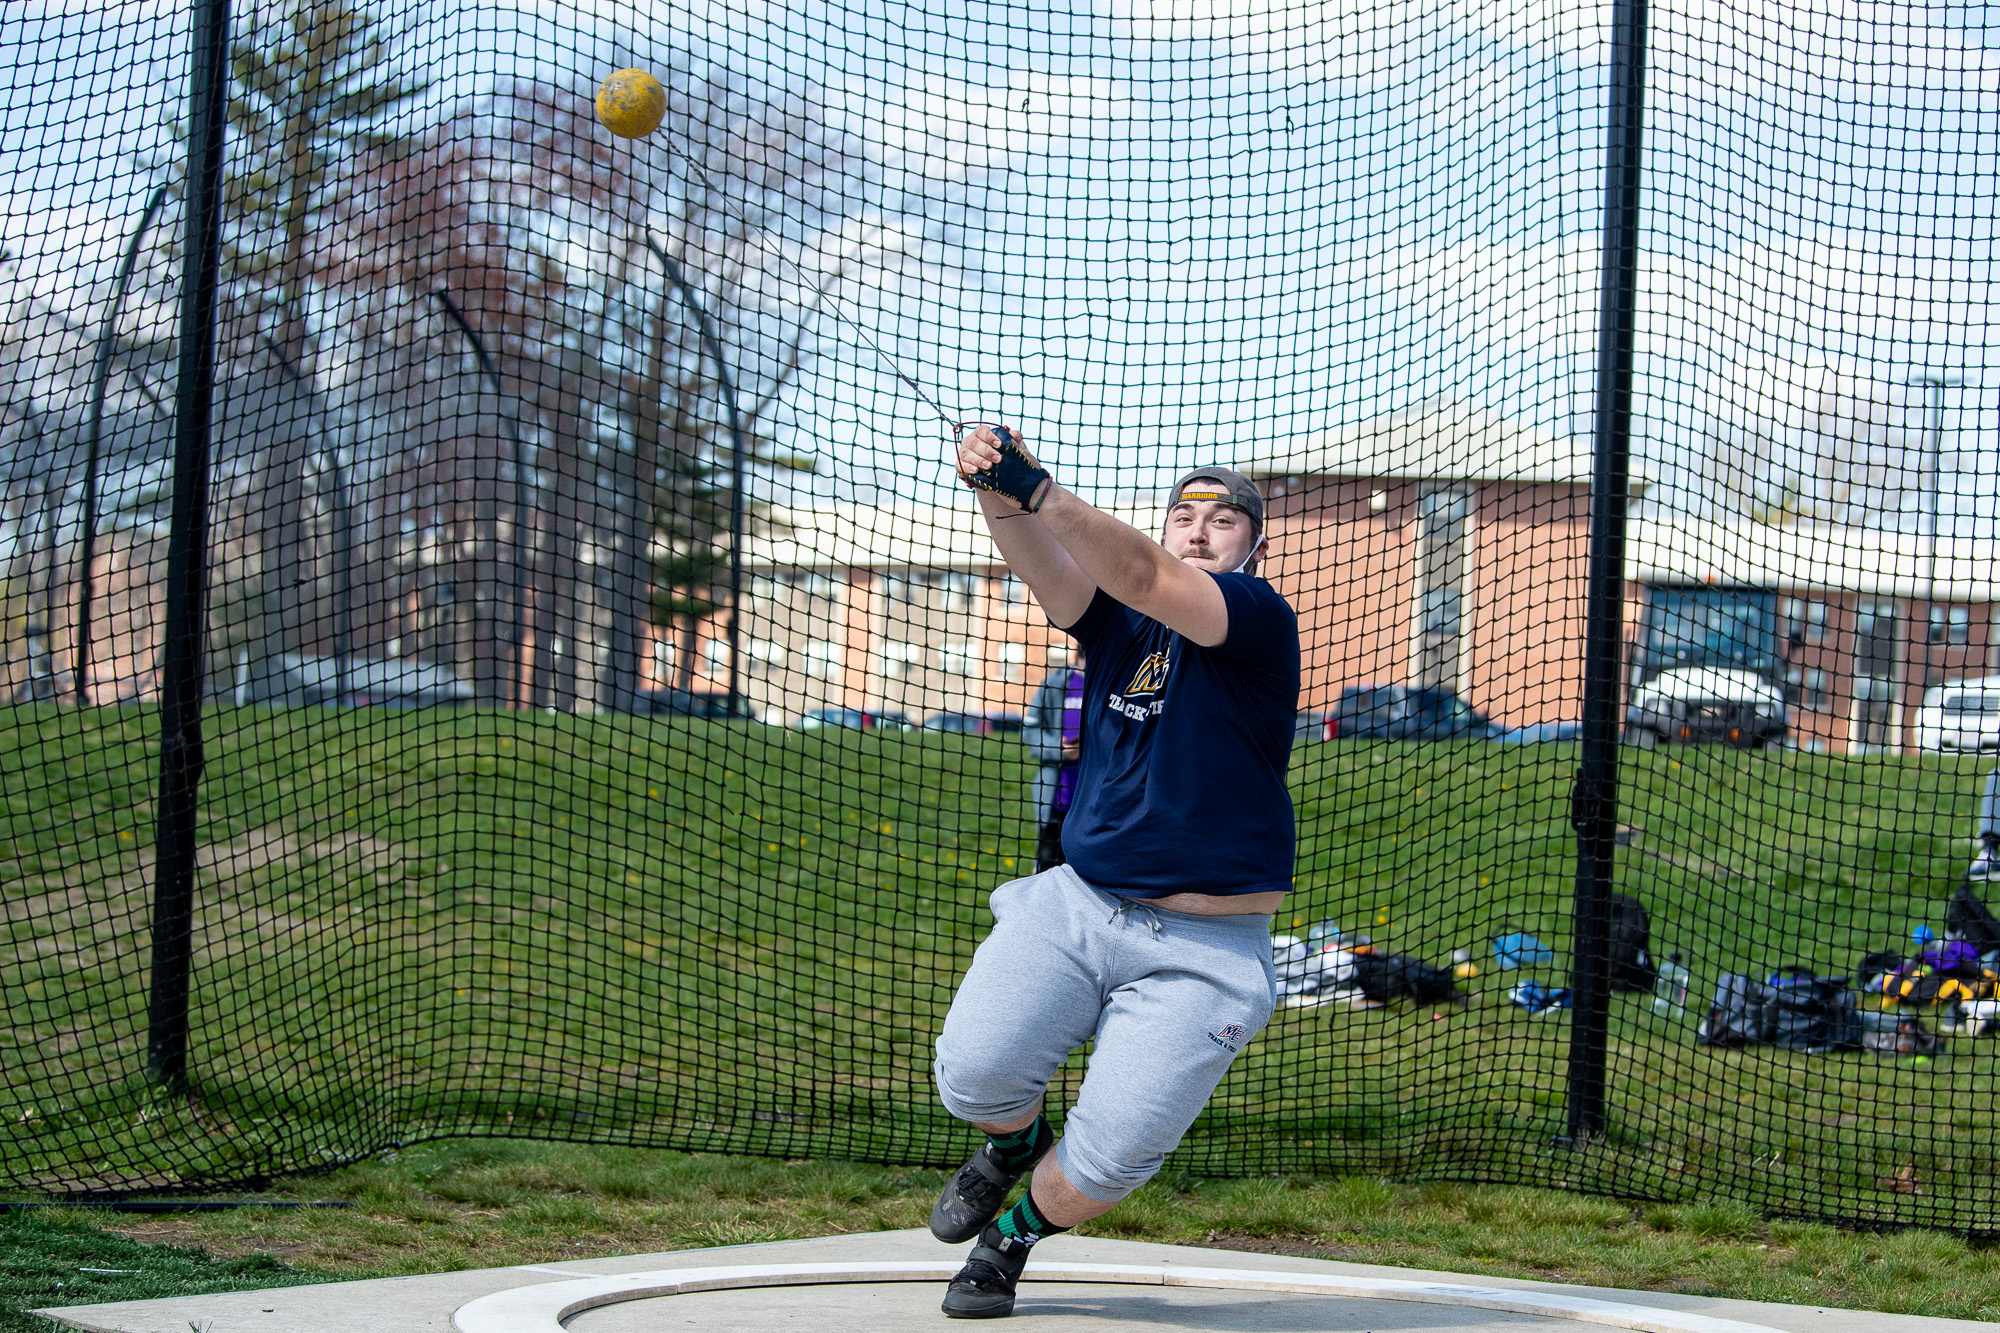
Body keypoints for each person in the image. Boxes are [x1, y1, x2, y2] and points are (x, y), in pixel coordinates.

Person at [929, 424, 1299, 1319]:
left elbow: (1144, 574)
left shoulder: (1254, 615)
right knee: (973, 1075)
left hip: (1205, 946)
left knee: (1111, 1158)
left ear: (1254, 542)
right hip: (1080, 901)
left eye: (1224, 516)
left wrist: (1042, 486)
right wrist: (993, 484)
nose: (1200, 526)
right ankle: (1013, 1147)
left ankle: (1012, 1233)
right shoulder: (1117, 624)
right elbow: (1042, 558)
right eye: (1183, 512)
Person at [1022, 646, 1086, 872]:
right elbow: (1029, 732)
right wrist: (1059, 749)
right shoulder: (1054, 685)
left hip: (1094, 806)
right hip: (1056, 801)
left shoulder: (1109, 685)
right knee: (1047, 875)